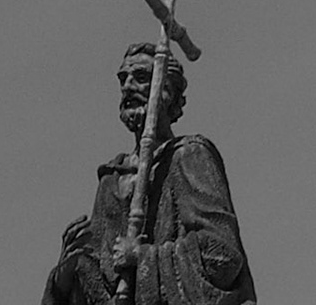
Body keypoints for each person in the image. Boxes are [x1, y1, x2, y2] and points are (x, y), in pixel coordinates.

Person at [42, 44, 255, 305]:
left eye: (141, 77)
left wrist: (141, 258)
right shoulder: (111, 180)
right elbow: (98, 285)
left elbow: (222, 256)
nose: (128, 86)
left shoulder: (188, 156)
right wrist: (66, 276)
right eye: (123, 79)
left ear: (167, 92)